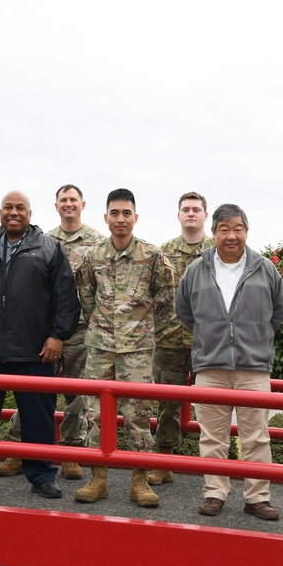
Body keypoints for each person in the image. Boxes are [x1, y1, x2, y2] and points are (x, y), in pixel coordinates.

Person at [0, 190, 80, 499]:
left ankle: (42, 475)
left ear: (30, 214)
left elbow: (66, 298)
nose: (14, 212)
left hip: (35, 351)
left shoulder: (49, 249)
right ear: (0, 213)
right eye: (8, 207)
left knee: (38, 418)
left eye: (21, 208)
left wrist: (58, 335)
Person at [176, 204, 283, 520]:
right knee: (212, 436)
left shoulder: (265, 269)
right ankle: (214, 492)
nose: (231, 235)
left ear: (246, 232)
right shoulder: (195, 270)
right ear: (213, 233)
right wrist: (213, 335)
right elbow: (185, 311)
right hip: (210, 366)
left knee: (257, 436)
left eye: (237, 228)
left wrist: (254, 336)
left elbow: (278, 310)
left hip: (253, 367)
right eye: (223, 229)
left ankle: (258, 497)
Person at [73, 188, 175, 508]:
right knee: (95, 414)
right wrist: (102, 324)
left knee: (138, 415)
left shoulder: (153, 255)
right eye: (114, 213)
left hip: (137, 349)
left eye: (126, 213)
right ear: (105, 217)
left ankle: (140, 480)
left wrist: (141, 326)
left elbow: (166, 298)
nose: (120, 219)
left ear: (135, 217)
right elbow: (85, 296)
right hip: (100, 346)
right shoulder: (93, 255)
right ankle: (98, 479)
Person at [0, 185, 106, 481]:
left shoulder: (98, 243)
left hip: (82, 329)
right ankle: (19, 450)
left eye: (73, 200)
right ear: (56, 206)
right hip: (43, 331)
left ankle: (70, 453)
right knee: (32, 391)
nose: (68, 204)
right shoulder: (42, 240)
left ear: (82, 204)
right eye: (63, 200)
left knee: (76, 395)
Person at [147, 192, 214, 486]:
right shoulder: (162, 253)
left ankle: (215, 467)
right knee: (167, 406)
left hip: (210, 342)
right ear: (178, 215)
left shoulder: (218, 251)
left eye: (196, 209)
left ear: (205, 215)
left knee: (214, 407)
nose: (191, 214)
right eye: (185, 209)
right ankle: (164, 462)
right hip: (169, 341)